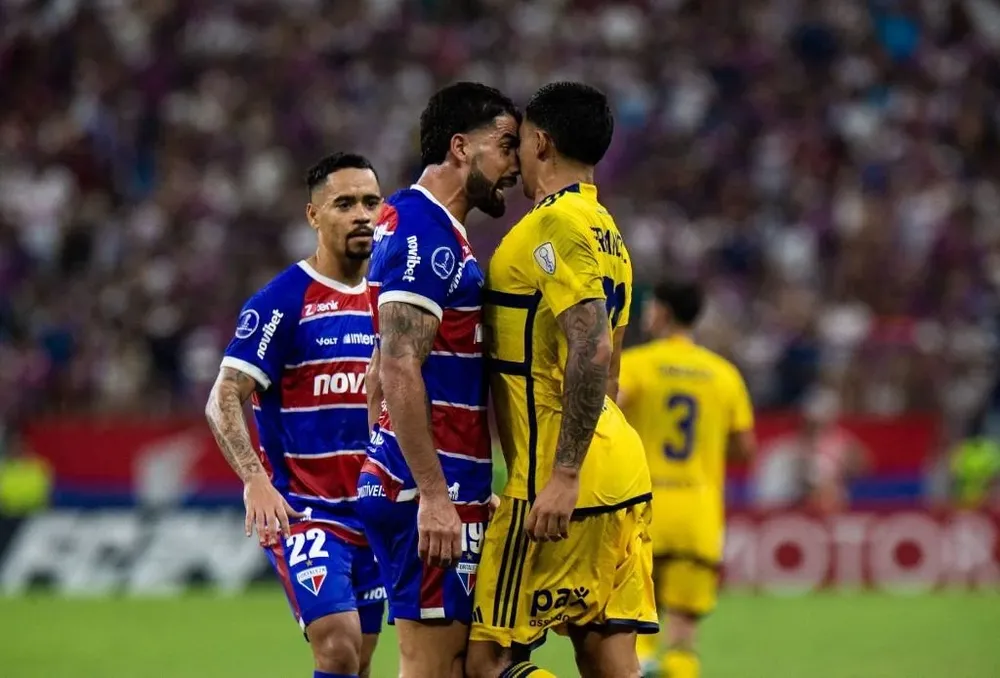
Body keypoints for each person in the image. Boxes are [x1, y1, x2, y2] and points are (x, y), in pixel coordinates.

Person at [466, 81, 656, 678]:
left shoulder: (558, 225)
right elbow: (613, 373)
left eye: (519, 142)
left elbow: (593, 349)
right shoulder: (607, 231)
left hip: (554, 475)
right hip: (621, 471)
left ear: (541, 142)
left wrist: (565, 474)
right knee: (609, 662)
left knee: (484, 662)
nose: (515, 155)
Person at [356, 82, 520, 678]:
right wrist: (430, 493)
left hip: (441, 480)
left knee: (465, 664)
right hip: (428, 487)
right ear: (460, 147)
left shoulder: (432, 226)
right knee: (432, 669)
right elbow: (398, 364)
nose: (515, 164)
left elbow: (380, 368)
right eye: (505, 146)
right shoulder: (426, 232)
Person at [205, 153, 386, 678]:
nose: (362, 215)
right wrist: (254, 479)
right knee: (337, 646)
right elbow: (223, 397)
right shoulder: (284, 300)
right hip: (306, 512)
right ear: (313, 216)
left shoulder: (390, 298)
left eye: (371, 202)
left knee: (360, 659)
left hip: (374, 513)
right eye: (345, 204)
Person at [616, 280, 756, 678]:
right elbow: (745, 449)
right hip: (697, 514)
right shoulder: (723, 374)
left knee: (635, 627)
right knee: (682, 635)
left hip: (644, 510)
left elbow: (607, 408)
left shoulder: (639, 364)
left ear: (659, 312)